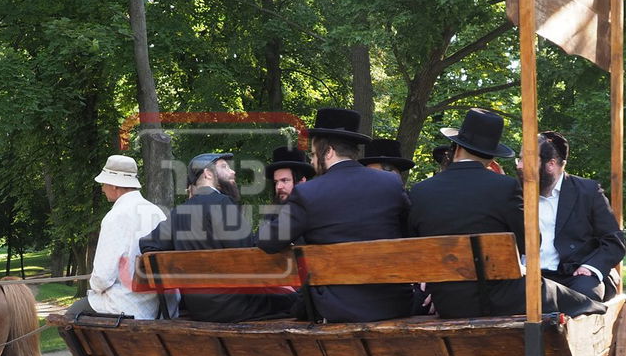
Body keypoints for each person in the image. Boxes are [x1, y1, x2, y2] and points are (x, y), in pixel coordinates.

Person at [407, 108, 603, 320]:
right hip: (502, 300)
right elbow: (531, 242)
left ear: (455, 149)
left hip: (448, 303)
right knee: (575, 300)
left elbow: (415, 247)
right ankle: (597, 310)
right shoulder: (505, 186)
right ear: (492, 157)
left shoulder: (420, 191)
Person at [258, 107, 412, 322]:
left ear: (328, 152)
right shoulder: (391, 183)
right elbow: (410, 233)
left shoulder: (307, 193)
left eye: (313, 154)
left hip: (338, 309)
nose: (312, 161)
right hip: (395, 304)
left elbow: (267, 242)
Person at [140, 153, 295, 321]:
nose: (233, 172)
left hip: (197, 308)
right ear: (208, 173)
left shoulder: (178, 213)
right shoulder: (222, 203)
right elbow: (250, 253)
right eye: (224, 167)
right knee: (297, 300)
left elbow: (148, 245)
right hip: (236, 306)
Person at [536, 131, 626, 301]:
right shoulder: (518, 195)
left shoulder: (587, 191)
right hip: (532, 277)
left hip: (575, 275)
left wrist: (590, 267)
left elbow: (614, 241)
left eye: (526, 160)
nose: (519, 166)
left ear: (550, 165)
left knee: (582, 299)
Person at [81, 155, 167, 318]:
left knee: (69, 318)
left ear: (114, 185)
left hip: (125, 304)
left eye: (104, 183)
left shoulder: (115, 216)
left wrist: (94, 285)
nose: (102, 188)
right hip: (157, 305)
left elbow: (102, 278)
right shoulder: (157, 212)